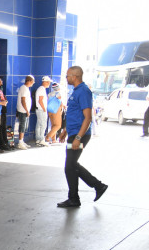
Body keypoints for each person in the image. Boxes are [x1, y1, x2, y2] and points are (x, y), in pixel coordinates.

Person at [57, 66, 108, 208]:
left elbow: (87, 117)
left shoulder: (84, 92)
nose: (66, 78)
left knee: (70, 166)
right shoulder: (76, 91)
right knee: (72, 165)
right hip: (73, 133)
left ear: (75, 76)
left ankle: (81, 195)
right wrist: (66, 129)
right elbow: (75, 114)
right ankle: (97, 186)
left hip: (80, 135)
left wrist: (78, 138)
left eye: (68, 76)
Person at [16, 75, 35, 149]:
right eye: (33, 81)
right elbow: (23, 100)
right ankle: (20, 142)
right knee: (22, 126)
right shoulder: (24, 88)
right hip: (22, 110)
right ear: (29, 81)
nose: (33, 83)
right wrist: (27, 110)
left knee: (24, 127)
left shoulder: (25, 88)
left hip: (24, 110)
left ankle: (22, 141)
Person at [0, 76, 12, 151]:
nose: (2, 82)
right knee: (0, 128)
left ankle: (6, 142)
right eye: (0, 80)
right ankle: (1, 143)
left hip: (4, 110)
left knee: (4, 127)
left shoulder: (1, 89)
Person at [34, 76, 51, 146]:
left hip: (39, 109)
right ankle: (41, 139)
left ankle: (38, 139)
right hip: (41, 109)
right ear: (46, 82)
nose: (49, 84)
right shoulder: (41, 89)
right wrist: (44, 109)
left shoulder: (41, 89)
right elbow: (40, 100)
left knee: (39, 124)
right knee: (43, 124)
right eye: (49, 82)